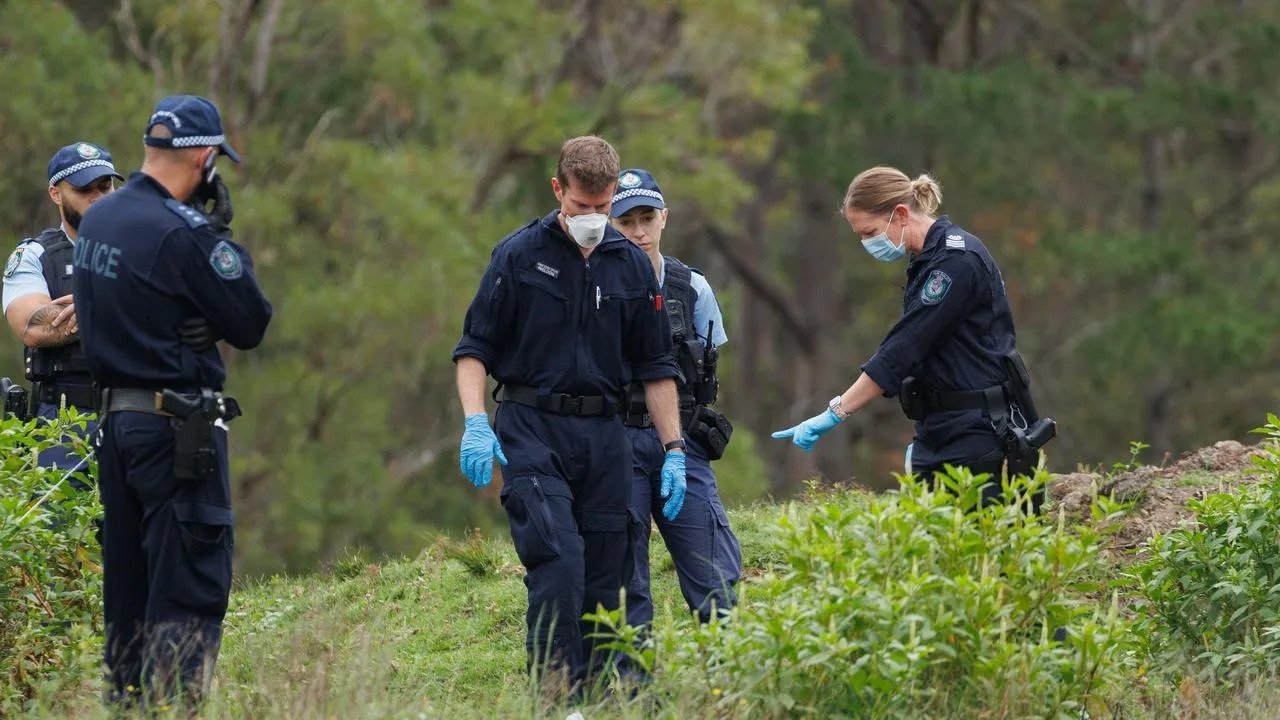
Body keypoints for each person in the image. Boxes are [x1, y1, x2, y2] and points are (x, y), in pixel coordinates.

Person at [452, 137, 686, 693]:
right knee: (559, 564)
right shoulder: (517, 256)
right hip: (533, 429)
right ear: (559, 191)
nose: (594, 220)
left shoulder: (630, 266)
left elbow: (656, 367)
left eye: (604, 209)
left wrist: (674, 448)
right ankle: (558, 697)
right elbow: (474, 350)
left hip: (606, 436)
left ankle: (607, 697)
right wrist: (475, 421)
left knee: (609, 576)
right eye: (582, 208)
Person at [73, 95, 273, 709]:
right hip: (176, 431)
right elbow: (249, 322)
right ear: (205, 159)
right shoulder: (185, 234)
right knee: (187, 585)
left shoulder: (101, 219)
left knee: (128, 591)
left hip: (116, 427)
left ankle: (127, 706)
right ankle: (175, 709)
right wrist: (219, 237)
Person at [772, 166, 1052, 508]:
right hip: (938, 430)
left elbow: (904, 348)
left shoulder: (956, 262)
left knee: (980, 554)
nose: (866, 242)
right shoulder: (926, 259)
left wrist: (835, 412)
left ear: (901, 214)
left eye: (870, 232)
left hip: (978, 434)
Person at [609, 168, 741, 633]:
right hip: (615, 443)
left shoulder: (693, 289)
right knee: (623, 575)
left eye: (647, 218)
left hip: (681, 447)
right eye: (627, 222)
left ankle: (725, 678)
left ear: (664, 218)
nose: (639, 232)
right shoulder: (596, 288)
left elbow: (707, 367)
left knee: (714, 569)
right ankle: (631, 689)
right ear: (610, 223)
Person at [2, 142, 123, 470]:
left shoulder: (139, 250)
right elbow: (35, 326)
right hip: (64, 424)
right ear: (56, 194)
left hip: (135, 414)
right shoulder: (35, 257)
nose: (98, 197)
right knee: (59, 519)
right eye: (84, 189)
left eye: (105, 186)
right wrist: (125, 309)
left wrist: (96, 309)